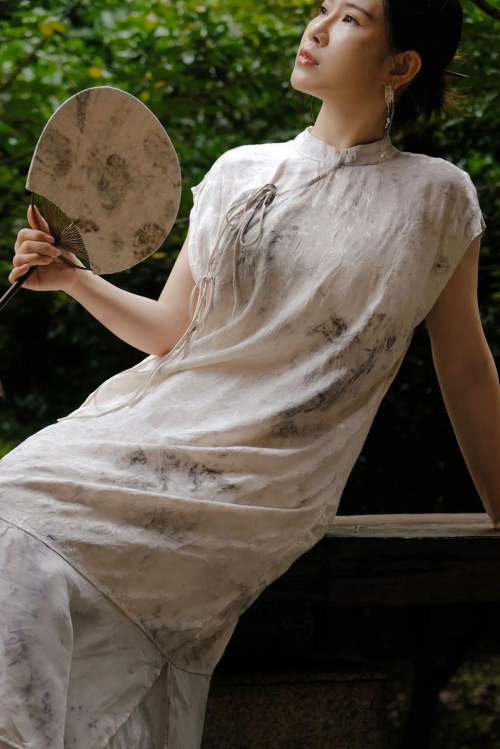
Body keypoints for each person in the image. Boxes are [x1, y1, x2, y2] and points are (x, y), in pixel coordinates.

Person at [2, 0, 498, 746]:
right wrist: (74, 278)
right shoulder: (240, 170)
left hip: (265, 474)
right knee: (9, 509)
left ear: (401, 65)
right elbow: (172, 332)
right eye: (322, 8)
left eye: (352, 18)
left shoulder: (438, 197)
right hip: (148, 425)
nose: (318, 27)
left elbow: (463, 364)